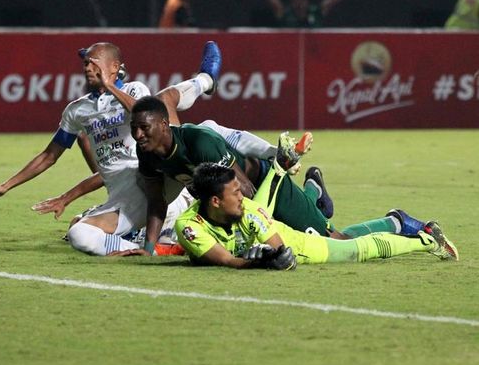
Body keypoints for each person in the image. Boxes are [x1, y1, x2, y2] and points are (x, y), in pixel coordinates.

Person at [0, 40, 221, 256]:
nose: (87, 67)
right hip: (125, 196)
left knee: (165, 101)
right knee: (77, 229)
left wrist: (110, 86)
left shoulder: (135, 90)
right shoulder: (78, 110)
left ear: (115, 68)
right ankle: (145, 246)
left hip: (157, 178)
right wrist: (5, 186)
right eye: (85, 63)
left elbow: (144, 113)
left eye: (94, 61)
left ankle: (206, 81)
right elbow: (49, 155)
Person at [125, 95, 348, 257]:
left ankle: (383, 226)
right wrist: (148, 249)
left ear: (164, 125)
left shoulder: (199, 143)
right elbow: (156, 201)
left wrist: (249, 237)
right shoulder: (146, 154)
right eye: (134, 128)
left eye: (144, 127)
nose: (137, 135)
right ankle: (314, 195)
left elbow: (245, 190)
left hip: (266, 186)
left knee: (331, 240)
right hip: (236, 203)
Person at [174, 163, 458, 269]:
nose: (241, 196)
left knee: (352, 249)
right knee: (338, 232)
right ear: (214, 201)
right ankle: (313, 192)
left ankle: (427, 239)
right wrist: (256, 263)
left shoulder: (245, 209)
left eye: (240, 190)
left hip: (300, 245)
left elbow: (282, 251)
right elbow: (227, 260)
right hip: (269, 225)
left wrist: (274, 259)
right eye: (234, 193)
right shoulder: (189, 226)